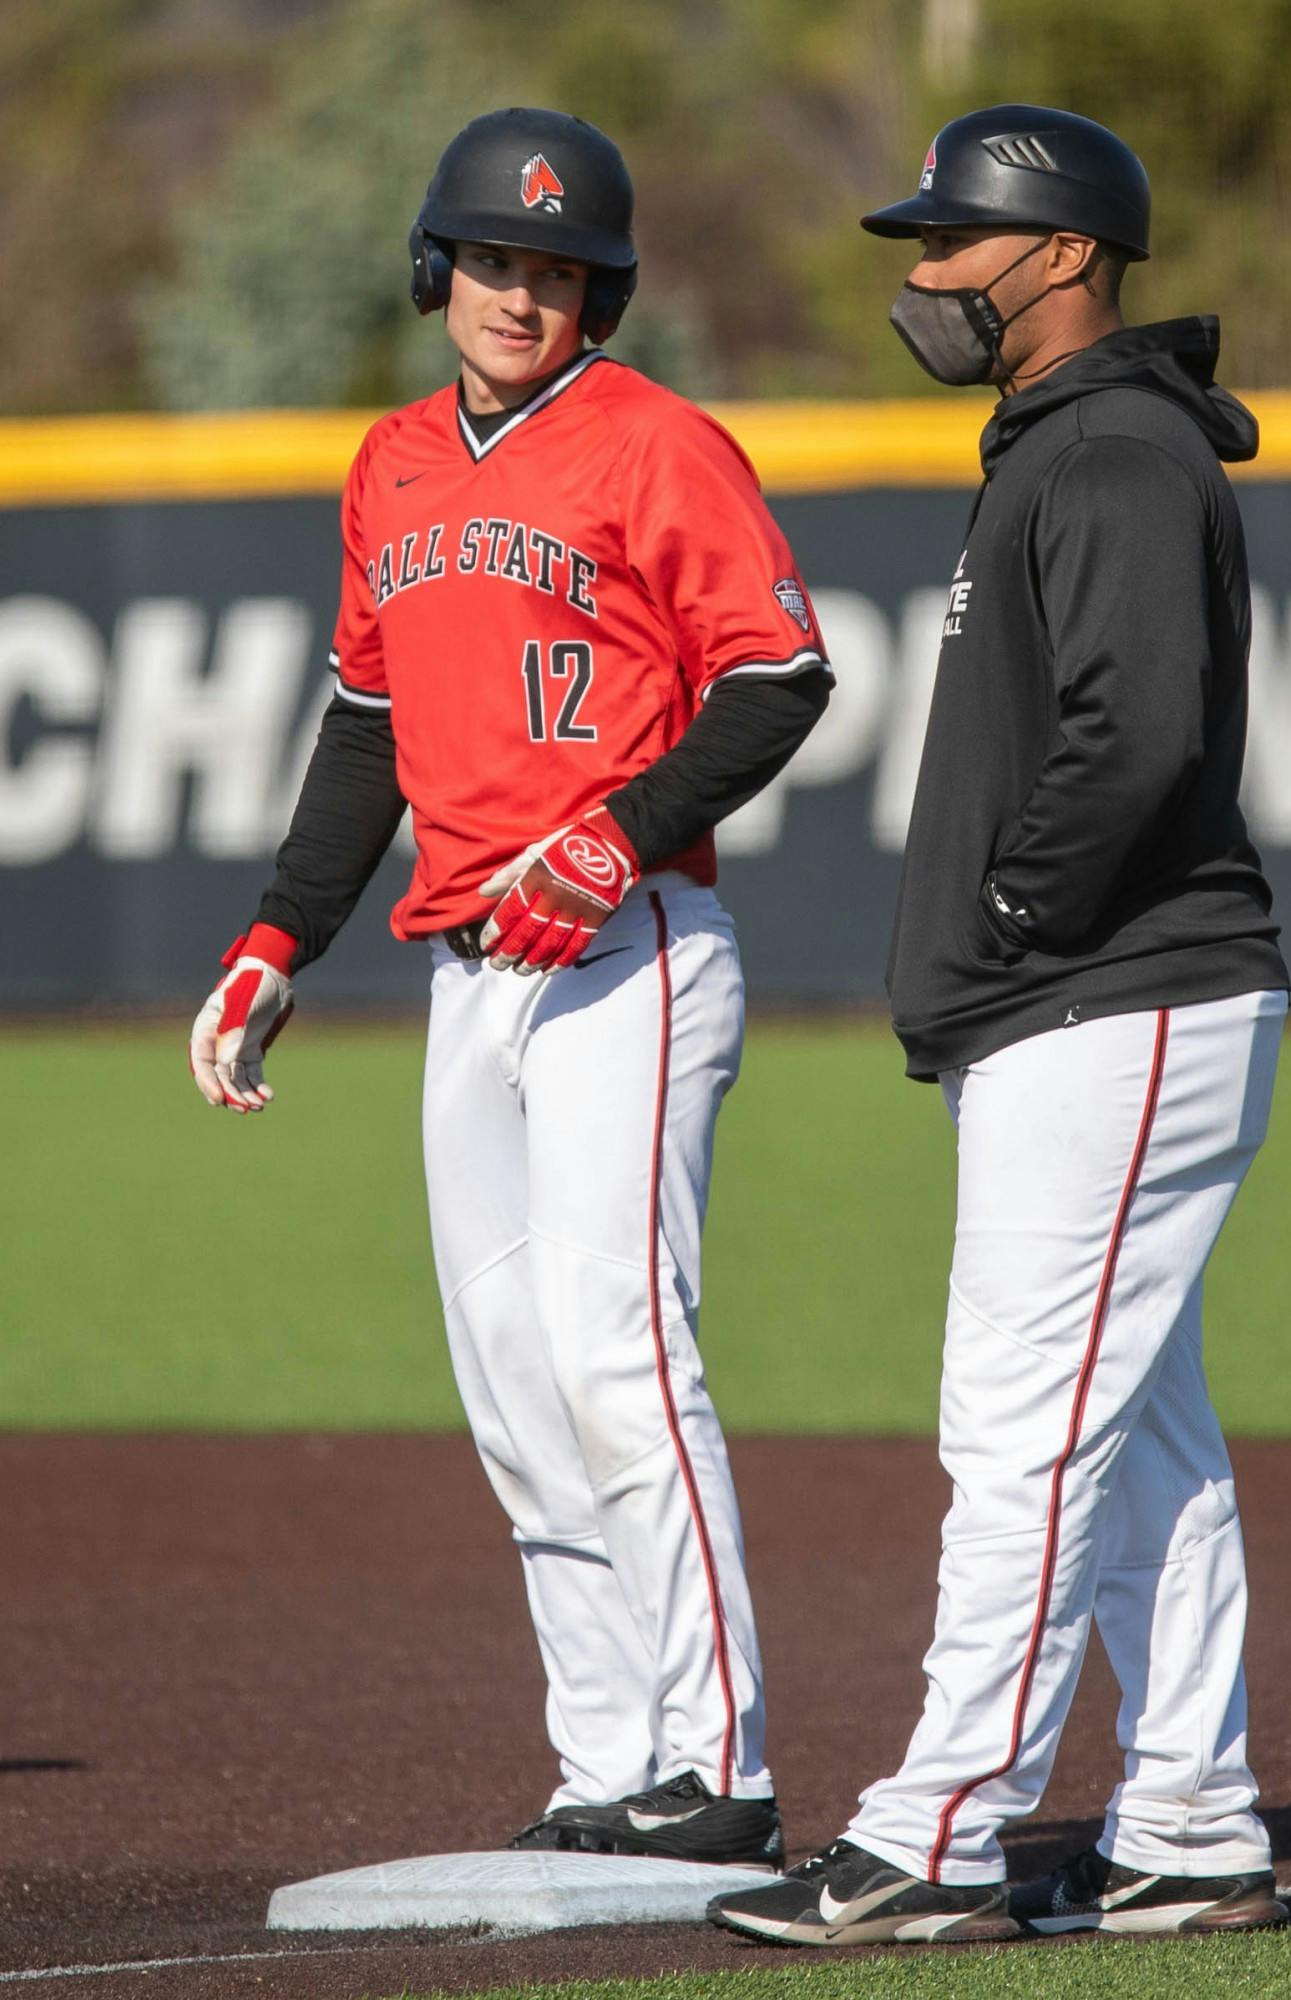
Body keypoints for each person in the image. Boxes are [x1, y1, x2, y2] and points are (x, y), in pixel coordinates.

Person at [189, 106, 831, 1869]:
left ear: (597, 292)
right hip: (466, 974)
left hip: (624, 954)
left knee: (620, 1356)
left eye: (555, 268)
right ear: (438, 269)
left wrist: (618, 839)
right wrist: (275, 937)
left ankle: (720, 1763)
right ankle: (607, 1757)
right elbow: (368, 724)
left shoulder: (656, 443)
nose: (518, 292)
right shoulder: (390, 461)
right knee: (512, 1384)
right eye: (491, 259)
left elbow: (778, 676)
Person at [709, 103, 1291, 1946]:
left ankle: (942, 1832)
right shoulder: (1070, 442)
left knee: (1022, 1433)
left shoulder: (1112, 453)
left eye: (953, 242)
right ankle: (1191, 1820)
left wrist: (1015, 920)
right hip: (1106, 1004)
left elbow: (1137, 740)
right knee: (1142, 1439)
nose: (923, 274)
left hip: (1111, 1000)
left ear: (1059, 254)